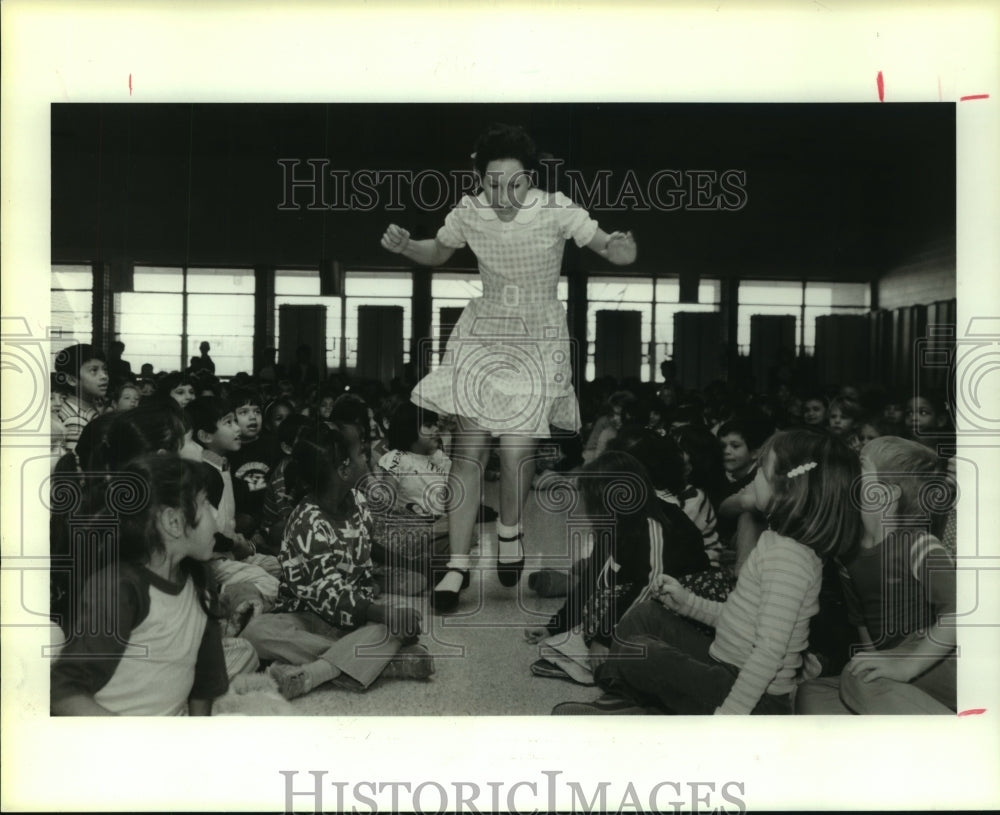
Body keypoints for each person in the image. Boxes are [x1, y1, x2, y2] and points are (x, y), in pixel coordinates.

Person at [381, 122, 637, 610]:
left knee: (518, 447)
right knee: (468, 450)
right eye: (492, 183)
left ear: (531, 179)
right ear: (480, 180)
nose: (503, 193)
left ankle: (510, 530)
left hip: (538, 332)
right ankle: (456, 567)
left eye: (514, 183)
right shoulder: (470, 212)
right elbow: (438, 249)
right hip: (485, 328)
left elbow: (608, 245)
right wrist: (406, 247)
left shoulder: (557, 209)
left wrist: (623, 250)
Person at [555, 429, 861, 715]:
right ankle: (642, 699)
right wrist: (687, 602)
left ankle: (637, 707)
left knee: (641, 651)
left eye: (762, 473)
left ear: (788, 492)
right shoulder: (775, 541)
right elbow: (740, 620)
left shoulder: (789, 560)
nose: (753, 479)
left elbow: (768, 654)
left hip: (754, 699)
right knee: (644, 616)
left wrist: (729, 718)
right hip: (726, 662)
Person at [241, 425, 434, 700]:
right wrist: (383, 615)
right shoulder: (307, 521)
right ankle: (379, 662)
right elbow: (328, 595)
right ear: (344, 470)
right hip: (307, 615)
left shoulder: (357, 501)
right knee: (256, 633)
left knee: (399, 621)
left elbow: (367, 547)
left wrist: (389, 607)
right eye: (361, 455)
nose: (366, 460)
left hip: (355, 615)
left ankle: (318, 670)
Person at [50, 455, 229, 715]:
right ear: (174, 522)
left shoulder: (199, 581)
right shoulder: (119, 588)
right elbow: (63, 692)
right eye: (205, 503)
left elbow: (205, 684)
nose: (216, 516)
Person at [796, 436, 956, 714]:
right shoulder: (847, 552)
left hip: (938, 658)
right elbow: (861, 621)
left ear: (887, 492)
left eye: (859, 465)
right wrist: (877, 658)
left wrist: (907, 666)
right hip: (898, 663)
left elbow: (960, 610)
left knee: (858, 678)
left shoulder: (918, 544)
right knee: (812, 691)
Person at [526, 450, 708, 685]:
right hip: (646, 590)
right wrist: (556, 626)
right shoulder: (612, 522)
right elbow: (594, 577)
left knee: (609, 609)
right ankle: (594, 650)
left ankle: (604, 662)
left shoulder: (653, 523)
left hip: (683, 597)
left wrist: (605, 638)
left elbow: (651, 586)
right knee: (601, 598)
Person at [52, 343, 108, 454]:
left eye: (105, 370)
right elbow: (77, 466)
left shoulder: (87, 407)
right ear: (72, 380)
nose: (104, 376)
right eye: (94, 370)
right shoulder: (74, 421)